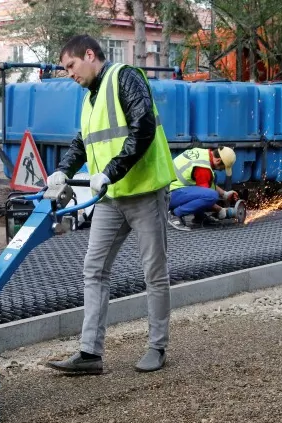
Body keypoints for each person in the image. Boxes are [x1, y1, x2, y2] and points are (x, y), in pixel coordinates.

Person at [45, 35, 177, 374]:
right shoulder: (89, 99)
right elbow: (83, 141)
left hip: (144, 192)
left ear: (90, 55)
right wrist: (62, 171)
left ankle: (157, 347)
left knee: (154, 272)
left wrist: (109, 171)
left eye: (71, 65)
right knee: (94, 269)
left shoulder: (125, 77)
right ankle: (90, 354)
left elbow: (143, 128)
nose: (70, 73)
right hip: (111, 197)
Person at [167, 147, 238, 230]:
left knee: (213, 179)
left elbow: (205, 185)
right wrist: (221, 210)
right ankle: (175, 215)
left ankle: (199, 217)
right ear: (218, 160)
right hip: (169, 196)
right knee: (212, 196)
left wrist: (224, 194)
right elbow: (207, 196)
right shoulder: (203, 169)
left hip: (169, 191)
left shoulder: (204, 154)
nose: (222, 170)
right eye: (223, 167)